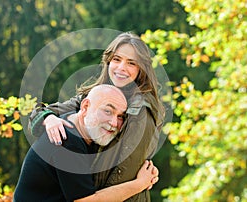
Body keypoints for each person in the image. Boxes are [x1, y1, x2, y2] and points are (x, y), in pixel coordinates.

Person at [29, 32, 165, 201]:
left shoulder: (141, 112)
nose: (121, 67)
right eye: (117, 59)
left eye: (131, 63)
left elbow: (123, 173)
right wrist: (49, 118)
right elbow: (41, 112)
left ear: (141, 70)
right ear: (108, 61)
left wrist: (87, 195)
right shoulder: (95, 94)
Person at [14, 85, 158, 202]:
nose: (114, 123)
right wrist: (140, 184)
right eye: (108, 111)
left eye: (120, 116)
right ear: (85, 107)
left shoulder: (78, 127)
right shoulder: (67, 141)